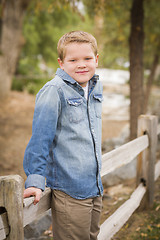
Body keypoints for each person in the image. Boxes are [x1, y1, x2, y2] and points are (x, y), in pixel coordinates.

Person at [23, 30, 103, 240]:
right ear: (61, 63)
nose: (81, 64)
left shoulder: (94, 88)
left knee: (92, 236)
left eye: (87, 58)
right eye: (73, 60)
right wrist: (35, 181)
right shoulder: (54, 91)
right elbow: (40, 140)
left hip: (94, 186)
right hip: (71, 191)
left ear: (96, 59)